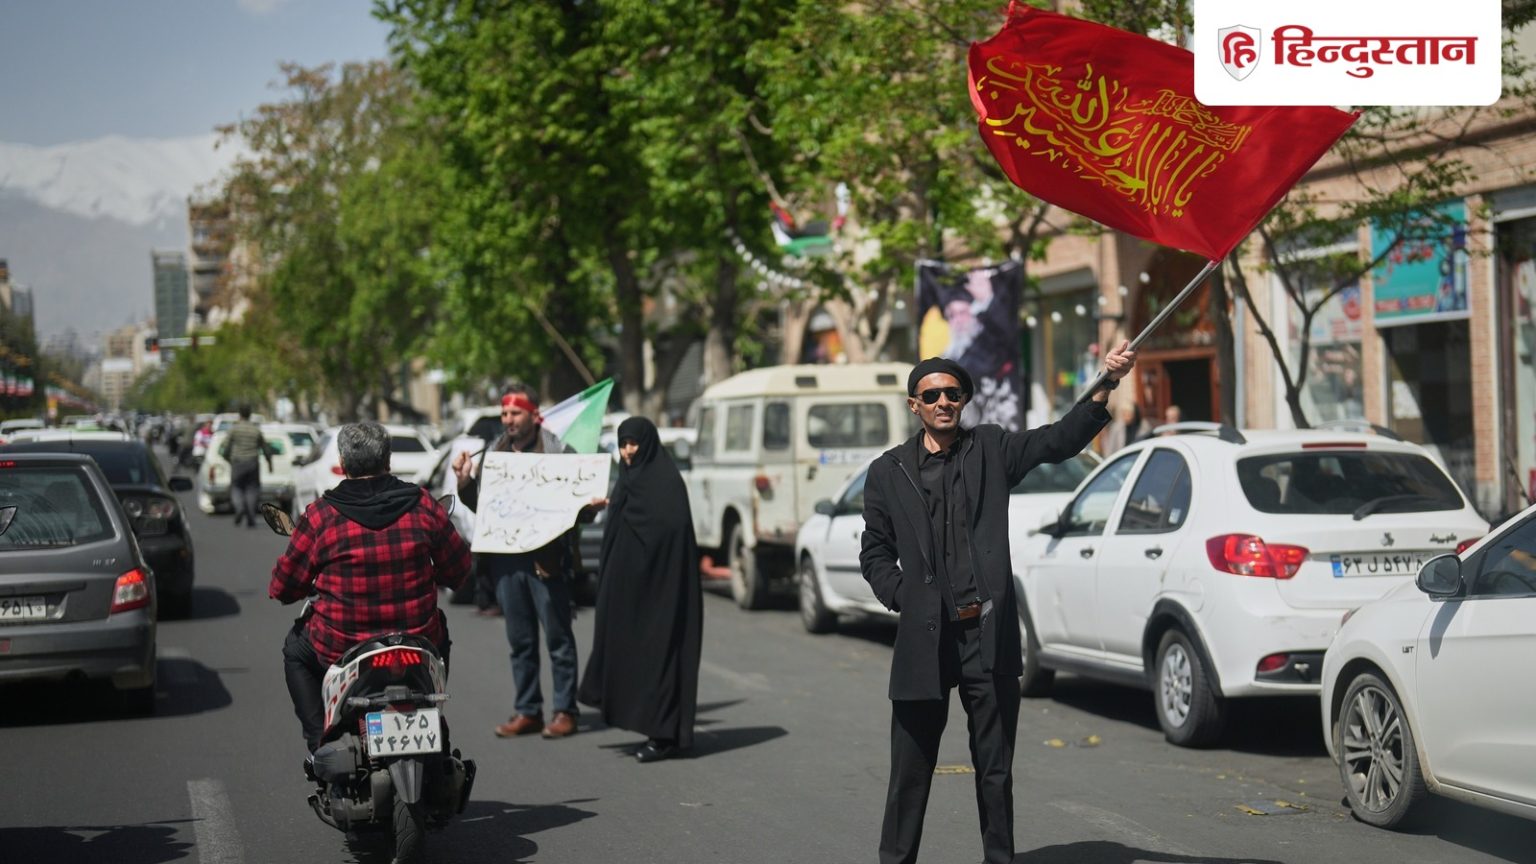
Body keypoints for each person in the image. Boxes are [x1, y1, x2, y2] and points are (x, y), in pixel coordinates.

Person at [860, 343, 1135, 864]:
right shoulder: (888, 470)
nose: (944, 402)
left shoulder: (990, 448)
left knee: (995, 768)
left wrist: (1106, 383)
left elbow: (1058, 440)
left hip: (986, 635)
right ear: (914, 405)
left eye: (953, 393)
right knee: (910, 770)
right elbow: (874, 549)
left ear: (963, 400)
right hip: (924, 638)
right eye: (931, 395)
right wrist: (902, 596)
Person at [269, 421, 471, 753]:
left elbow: (283, 587)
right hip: (419, 640)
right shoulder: (423, 505)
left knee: (295, 650)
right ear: (388, 460)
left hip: (341, 646)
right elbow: (460, 569)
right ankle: (433, 710)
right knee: (441, 625)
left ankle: (320, 742)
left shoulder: (320, 517)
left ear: (343, 463)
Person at [453, 383, 588, 740]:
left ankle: (565, 711)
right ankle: (528, 710)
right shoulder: (494, 454)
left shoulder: (559, 452)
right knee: (520, 640)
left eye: (515, 413)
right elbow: (482, 507)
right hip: (507, 562)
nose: (508, 419)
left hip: (547, 561)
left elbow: (580, 505)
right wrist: (465, 482)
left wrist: (589, 505)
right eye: (504, 413)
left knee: (558, 638)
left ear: (533, 414)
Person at [578, 416, 703, 764]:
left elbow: (671, 533)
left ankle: (664, 736)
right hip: (629, 593)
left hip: (661, 592)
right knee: (630, 656)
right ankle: (651, 727)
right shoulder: (627, 481)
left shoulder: (665, 483)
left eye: (633, 443)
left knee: (660, 657)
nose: (628, 451)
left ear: (647, 443)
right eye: (622, 444)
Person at [224, 406, 273, 527]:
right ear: (250, 415)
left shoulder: (234, 429)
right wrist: (269, 462)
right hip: (252, 463)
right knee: (252, 489)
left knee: (236, 487)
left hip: (237, 462)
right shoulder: (255, 430)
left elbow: (225, 447)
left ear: (239, 414)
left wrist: (227, 458)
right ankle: (251, 516)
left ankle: (239, 508)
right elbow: (265, 447)